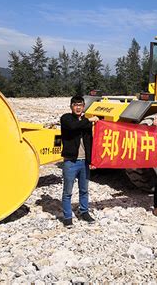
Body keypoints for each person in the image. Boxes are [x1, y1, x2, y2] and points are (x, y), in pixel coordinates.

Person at [60, 95, 99, 227]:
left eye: (80, 105)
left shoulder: (86, 122)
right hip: (70, 161)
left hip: (84, 162)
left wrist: (92, 160)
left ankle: (84, 212)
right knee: (67, 192)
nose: (78, 107)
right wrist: (90, 120)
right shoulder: (66, 118)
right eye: (75, 105)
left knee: (84, 190)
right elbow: (73, 127)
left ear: (83, 107)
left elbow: (90, 141)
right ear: (71, 106)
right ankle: (67, 217)